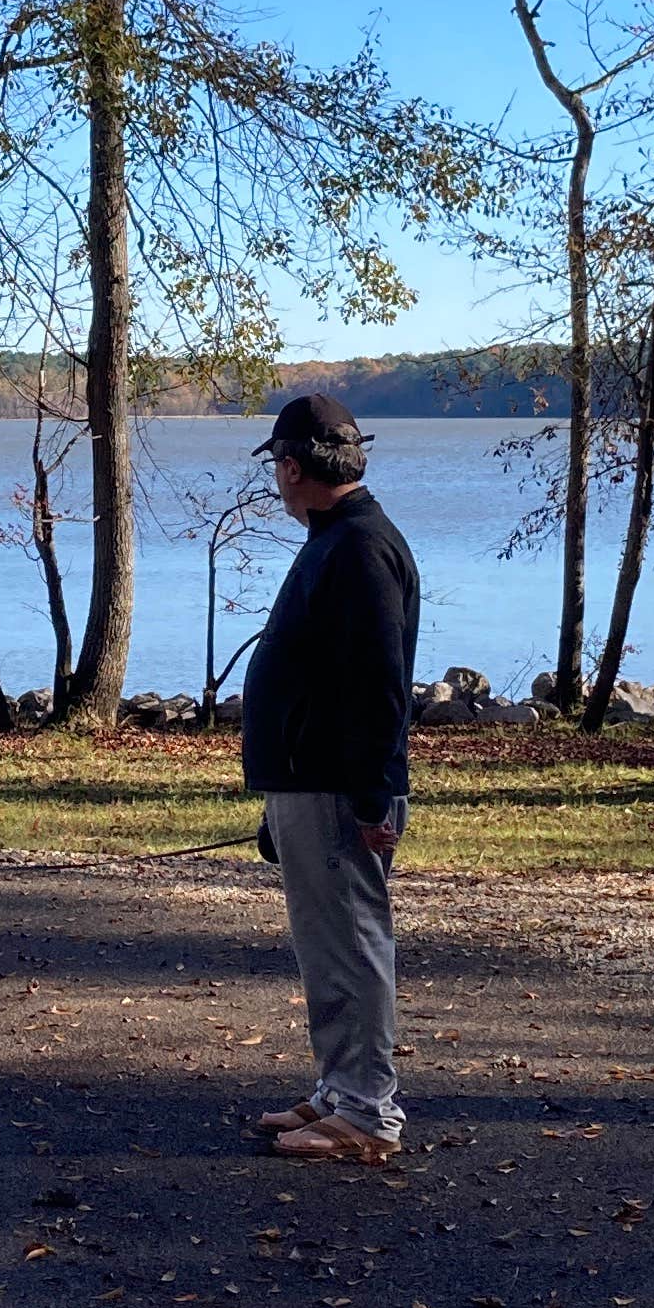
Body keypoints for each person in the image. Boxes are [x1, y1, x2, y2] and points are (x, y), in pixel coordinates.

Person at [238, 386, 420, 1166]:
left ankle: (369, 1114)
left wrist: (375, 794)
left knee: (352, 943)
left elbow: (378, 684)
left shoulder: (358, 547)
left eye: (277, 468)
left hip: (342, 788)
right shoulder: (336, 539)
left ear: (288, 468)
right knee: (326, 946)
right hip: (309, 785)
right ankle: (341, 1091)